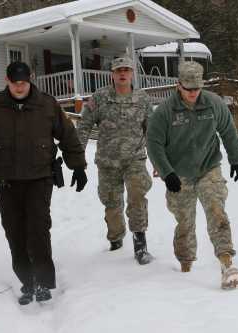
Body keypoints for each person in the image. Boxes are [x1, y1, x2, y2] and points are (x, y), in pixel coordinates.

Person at [0, 61, 88, 305]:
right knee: (14, 231)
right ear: (7, 82)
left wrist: (77, 166)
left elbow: (67, 135)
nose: (19, 87)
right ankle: (27, 281)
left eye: (23, 82)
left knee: (38, 230)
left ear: (30, 80)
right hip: (6, 179)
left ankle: (43, 282)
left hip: (39, 178)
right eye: (15, 83)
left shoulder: (47, 104)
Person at [146, 61, 238, 289]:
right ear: (178, 85)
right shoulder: (165, 112)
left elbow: (228, 130)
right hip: (178, 174)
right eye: (188, 89)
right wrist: (168, 172)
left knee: (216, 211)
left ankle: (227, 262)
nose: (192, 93)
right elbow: (154, 144)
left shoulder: (213, 104)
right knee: (185, 222)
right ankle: (185, 266)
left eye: (196, 88)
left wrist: (235, 158)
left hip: (208, 167)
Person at [76, 56, 154, 265]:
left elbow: (153, 132)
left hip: (135, 159)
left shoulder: (143, 99)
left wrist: (157, 162)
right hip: (108, 161)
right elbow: (84, 125)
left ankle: (140, 245)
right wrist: (77, 156)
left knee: (137, 196)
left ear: (132, 74)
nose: (122, 73)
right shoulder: (100, 97)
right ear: (112, 74)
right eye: (119, 70)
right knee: (111, 203)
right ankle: (116, 240)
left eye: (127, 69)